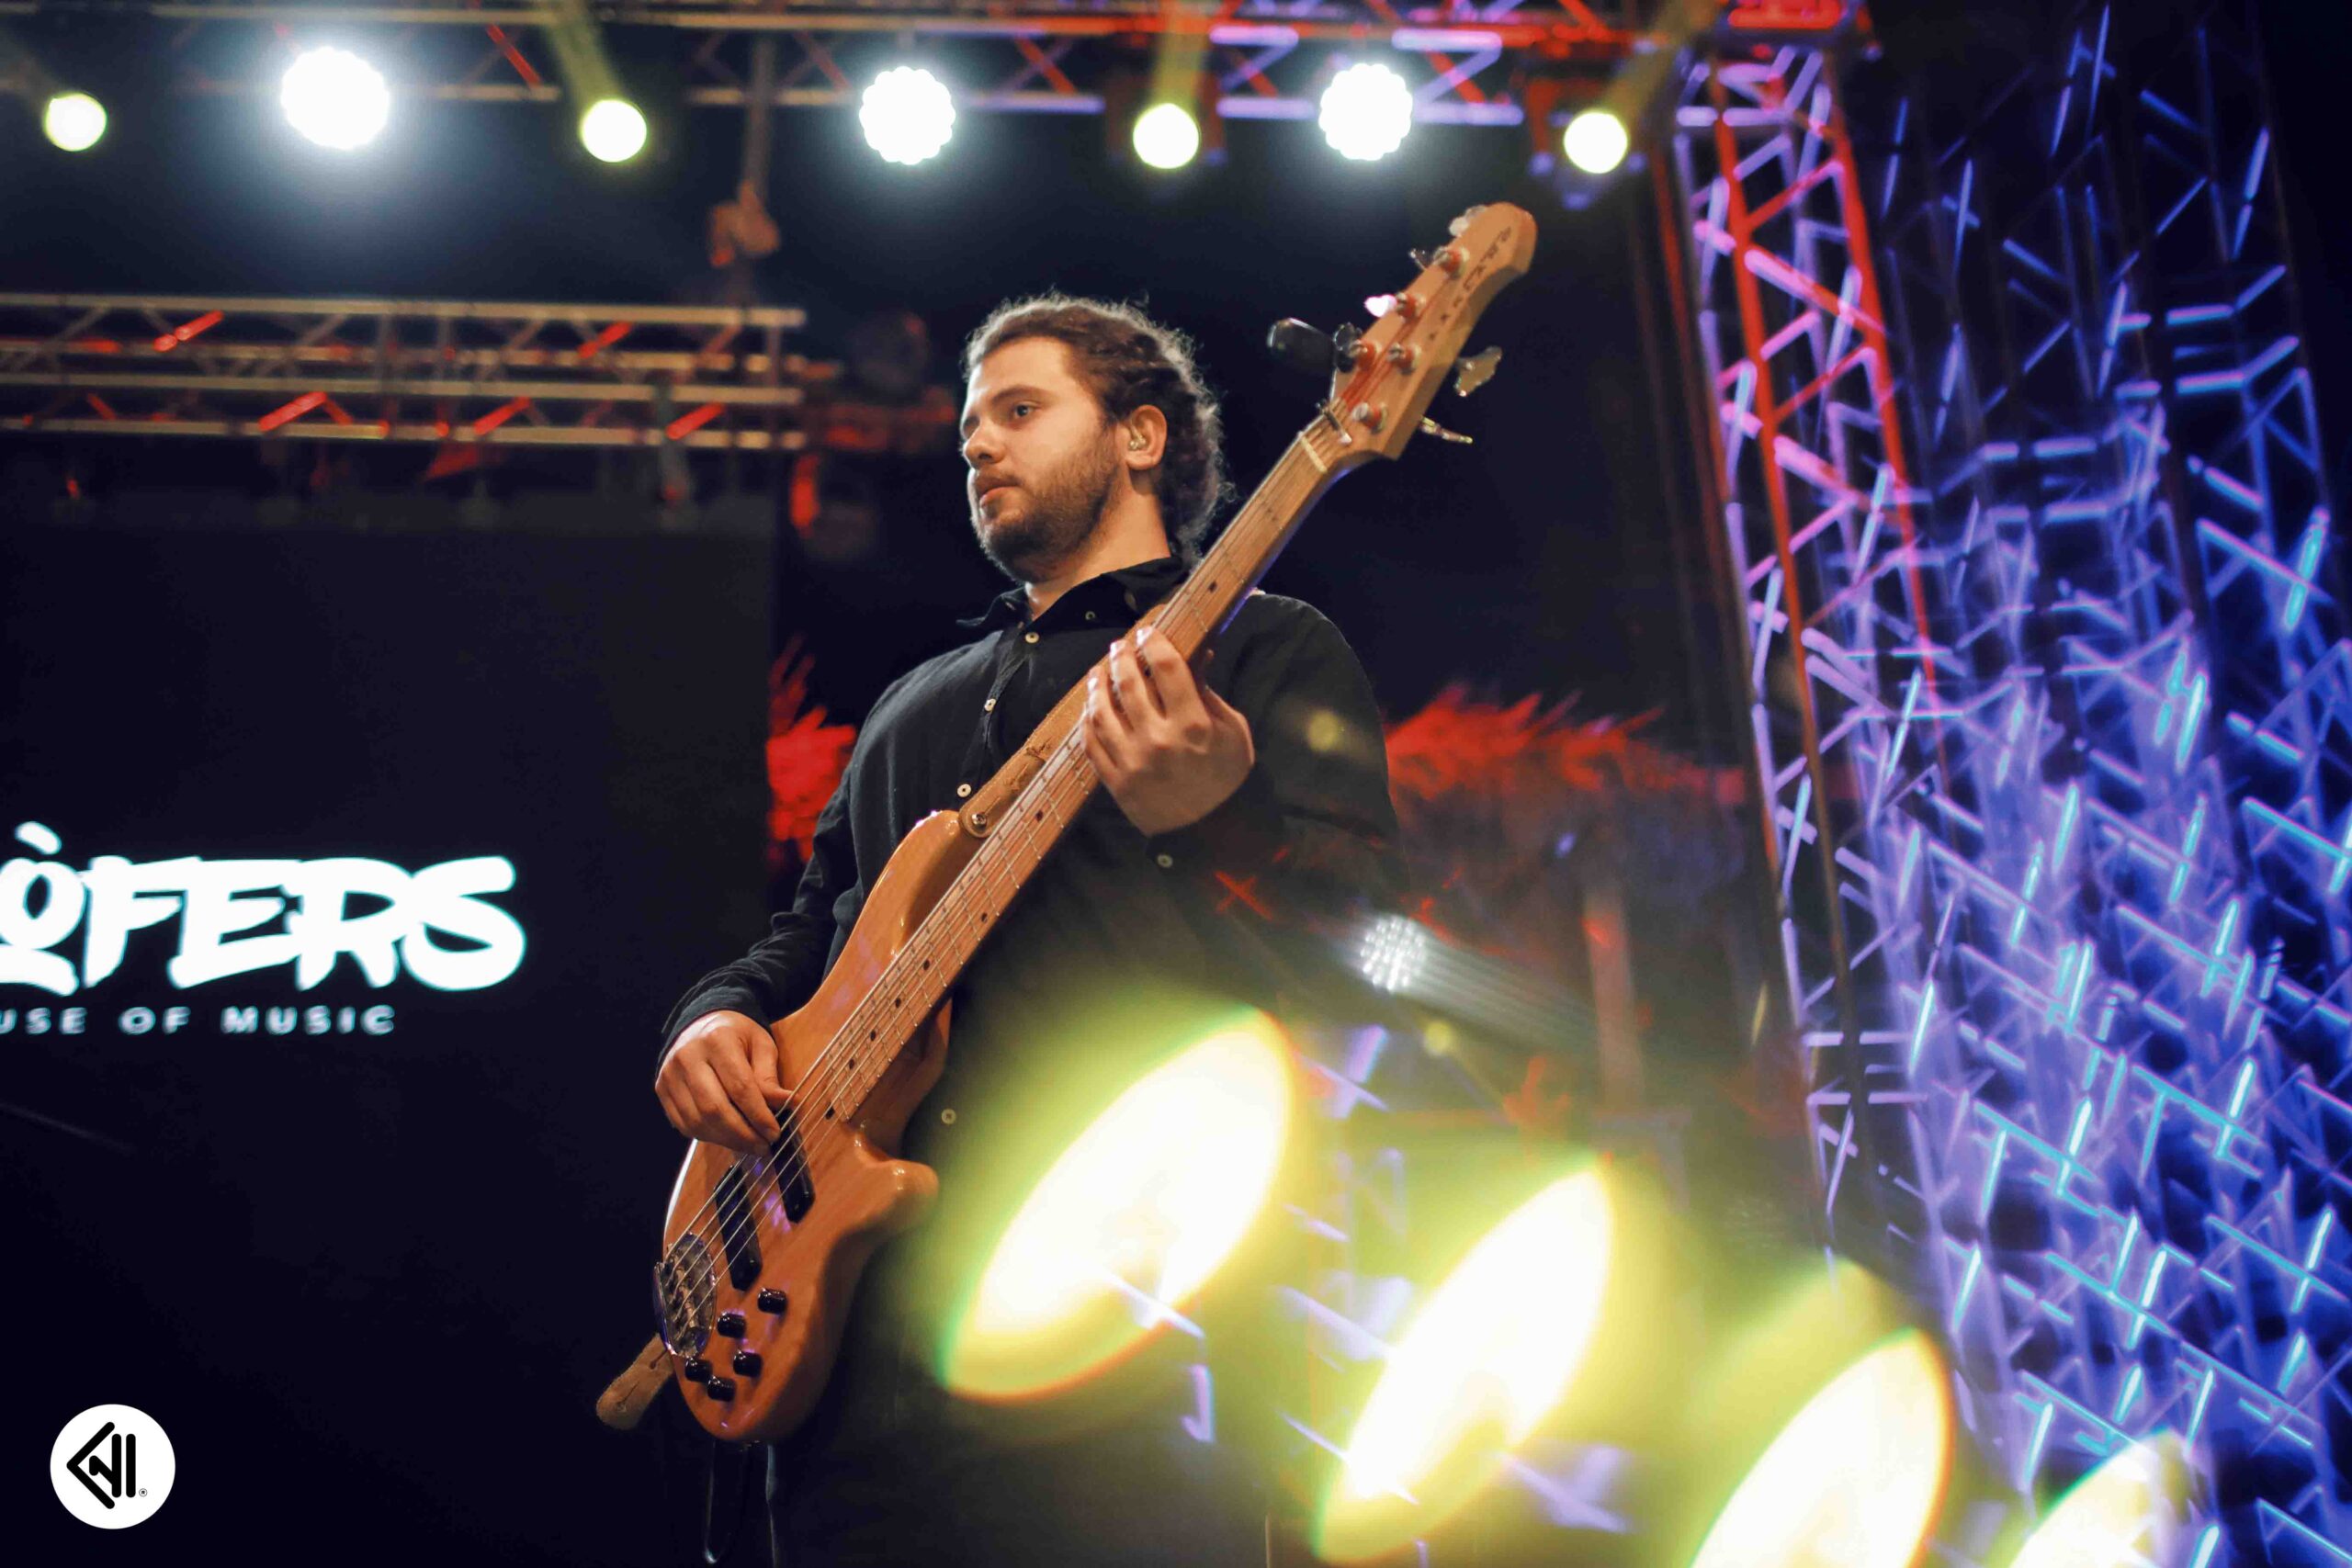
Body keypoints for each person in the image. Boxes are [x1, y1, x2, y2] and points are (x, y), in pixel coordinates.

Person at [654, 295, 1406, 1564]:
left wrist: (1217, 820)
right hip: (859, 1375)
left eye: (1018, 411)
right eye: (968, 434)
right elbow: (811, 933)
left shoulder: (1268, 651)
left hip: (1129, 1356)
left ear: (1140, 436)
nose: (980, 448)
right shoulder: (910, 706)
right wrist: (713, 1017)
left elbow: (1364, 957)